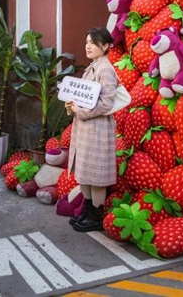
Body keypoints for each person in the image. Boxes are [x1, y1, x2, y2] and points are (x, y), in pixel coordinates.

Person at [65, 27, 118, 232]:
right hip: (85, 128)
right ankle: (87, 211)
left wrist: (81, 111)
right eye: (87, 41)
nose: (88, 46)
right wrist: (72, 106)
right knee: (85, 171)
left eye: (93, 43)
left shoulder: (105, 69)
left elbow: (106, 103)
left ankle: (96, 216)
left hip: (97, 128)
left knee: (96, 176)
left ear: (105, 46)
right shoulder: (93, 66)